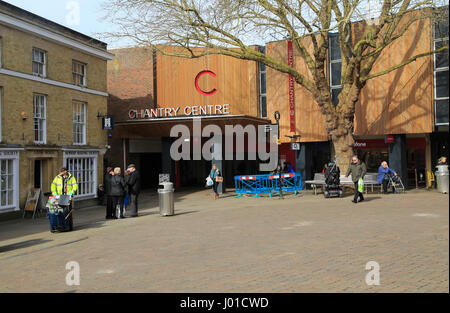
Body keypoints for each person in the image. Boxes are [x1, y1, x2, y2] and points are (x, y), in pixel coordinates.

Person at [50, 167, 78, 232]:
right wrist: (54, 193)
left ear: (66, 171)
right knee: (58, 211)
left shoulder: (71, 178)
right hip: (59, 196)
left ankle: (68, 226)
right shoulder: (57, 178)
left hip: (68, 196)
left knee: (68, 212)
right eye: (61, 171)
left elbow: (75, 186)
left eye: (62, 171)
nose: (61, 173)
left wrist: (71, 193)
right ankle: (60, 224)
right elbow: (53, 186)